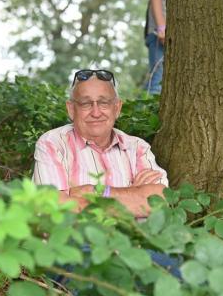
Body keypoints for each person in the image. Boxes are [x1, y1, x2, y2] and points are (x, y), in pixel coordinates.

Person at [33, 69, 168, 218]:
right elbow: (56, 208)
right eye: (85, 104)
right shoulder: (53, 144)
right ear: (71, 109)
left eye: (104, 103)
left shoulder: (137, 148)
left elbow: (160, 200)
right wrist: (132, 194)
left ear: (117, 108)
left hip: (129, 241)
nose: (96, 113)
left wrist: (93, 192)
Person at [144, 0, 167, 95]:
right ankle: (145, 112)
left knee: (159, 78)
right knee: (158, 81)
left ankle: (138, 111)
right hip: (159, 33)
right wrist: (161, 28)